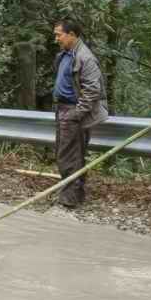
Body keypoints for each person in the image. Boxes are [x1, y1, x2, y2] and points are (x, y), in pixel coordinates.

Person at [50, 18, 108, 208]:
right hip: (63, 109)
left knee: (71, 155)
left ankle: (70, 198)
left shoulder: (85, 57)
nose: (56, 38)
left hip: (73, 111)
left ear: (72, 35)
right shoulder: (65, 54)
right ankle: (71, 194)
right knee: (64, 153)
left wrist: (76, 113)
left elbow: (93, 90)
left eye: (59, 34)